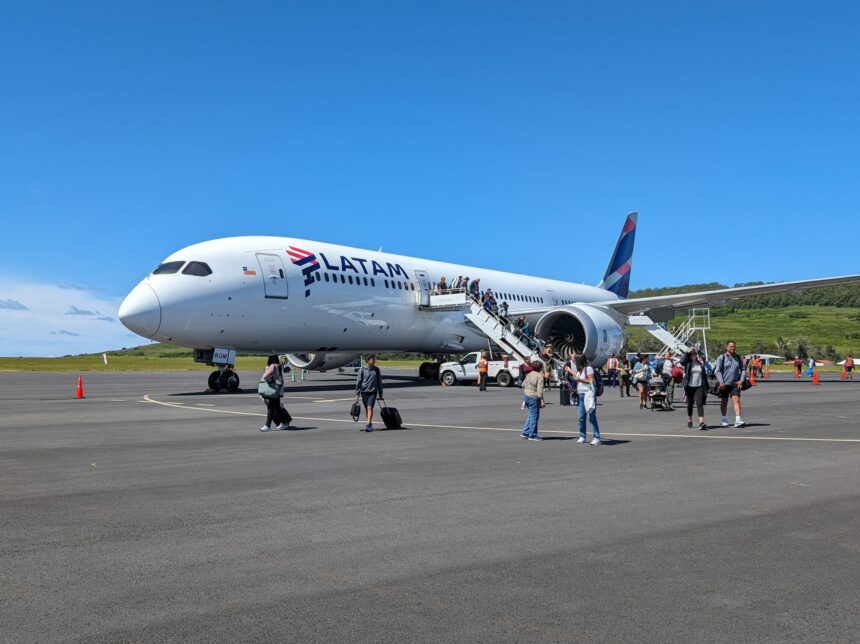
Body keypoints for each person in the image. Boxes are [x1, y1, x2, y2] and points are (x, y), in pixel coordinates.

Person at [571, 354, 601, 445]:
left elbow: (592, 381)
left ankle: (596, 437)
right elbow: (579, 378)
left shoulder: (588, 368)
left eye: (576, 360)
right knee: (581, 417)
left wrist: (580, 380)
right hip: (580, 394)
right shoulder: (580, 369)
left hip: (588, 394)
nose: (574, 362)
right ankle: (582, 436)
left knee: (591, 417)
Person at [715, 340, 745, 428]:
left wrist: (741, 380)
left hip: (735, 383)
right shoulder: (722, 357)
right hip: (724, 384)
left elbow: (743, 369)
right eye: (731, 346)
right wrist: (721, 382)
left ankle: (738, 420)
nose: (733, 348)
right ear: (726, 347)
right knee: (724, 401)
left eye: (734, 346)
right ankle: (724, 419)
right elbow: (717, 371)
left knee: (736, 399)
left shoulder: (738, 357)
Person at [680, 346, 708, 430]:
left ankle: (701, 423)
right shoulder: (687, 363)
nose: (693, 356)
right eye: (692, 354)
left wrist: (706, 386)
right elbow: (681, 361)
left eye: (695, 354)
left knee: (699, 403)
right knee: (690, 404)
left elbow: (704, 374)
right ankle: (690, 420)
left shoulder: (700, 363)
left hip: (699, 386)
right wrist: (687, 352)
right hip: (689, 386)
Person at [354, 354, 383, 432]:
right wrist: (357, 395)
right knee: (367, 409)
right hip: (364, 392)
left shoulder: (376, 370)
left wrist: (380, 394)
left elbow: (379, 382)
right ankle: (369, 423)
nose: (374, 361)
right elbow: (359, 382)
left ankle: (368, 425)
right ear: (368, 360)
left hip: (373, 392)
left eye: (374, 359)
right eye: (372, 359)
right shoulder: (362, 370)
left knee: (370, 408)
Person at [259, 354, 289, 432]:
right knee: (277, 407)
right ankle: (284, 423)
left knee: (271, 408)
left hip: (272, 389)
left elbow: (265, 376)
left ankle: (267, 425)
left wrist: (266, 370)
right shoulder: (278, 365)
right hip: (277, 389)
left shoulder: (272, 366)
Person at [520, 359, 546, 441]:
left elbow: (523, 384)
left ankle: (526, 432)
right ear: (540, 368)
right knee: (534, 416)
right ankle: (532, 435)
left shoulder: (529, 374)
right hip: (533, 397)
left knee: (531, 415)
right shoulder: (539, 376)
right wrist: (541, 400)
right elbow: (540, 390)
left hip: (526, 395)